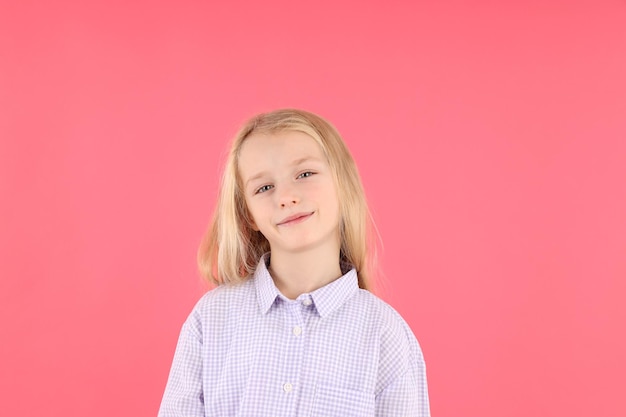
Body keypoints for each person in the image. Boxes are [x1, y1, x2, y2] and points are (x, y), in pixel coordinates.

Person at [158, 109, 430, 416]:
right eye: (264, 187)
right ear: (249, 215)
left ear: (343, 183)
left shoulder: (384, 333)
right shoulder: (211, 319)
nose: (286, 197)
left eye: (304, 174)